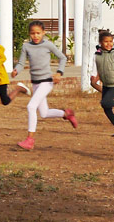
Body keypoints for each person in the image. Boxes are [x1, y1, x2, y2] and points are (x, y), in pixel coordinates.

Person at [13, 20, 75, 151]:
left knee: (31, 106)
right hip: (35, 83)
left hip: (47, 82)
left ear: (43, 33)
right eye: (32, 33)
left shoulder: (48, 45)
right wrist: (16, 70)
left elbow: (63, 58)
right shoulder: (26, 46)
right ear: (29, 34)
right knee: (44, 113)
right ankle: (66, 114)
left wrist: (59, 73)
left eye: (38, 33)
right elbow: (21, 63)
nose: (35, 36)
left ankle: (30, 140)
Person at [91, 29, 114, 136]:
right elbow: (95, 69)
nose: (109, 44)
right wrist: (93, 76)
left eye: (111, 41)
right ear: (100, 42)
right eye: (106, 42)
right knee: (106, 109)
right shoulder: (96, 55)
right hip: (106, 85)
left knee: (104, 103)